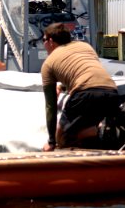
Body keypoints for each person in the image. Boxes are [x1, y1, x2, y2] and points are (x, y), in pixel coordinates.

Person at [41, 22, 120, 151]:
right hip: (111, 92)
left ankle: (99, 130)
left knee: (62, 138)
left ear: (50, 41)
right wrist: (62, 87)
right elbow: (87, 71)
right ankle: (100, 131)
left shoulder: (48, 64)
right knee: (84, 130)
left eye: (43, 40)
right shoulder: (85, 46)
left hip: (85, 94)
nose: (43, 44)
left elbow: (51, 106)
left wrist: (51, 141)